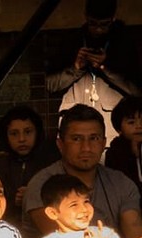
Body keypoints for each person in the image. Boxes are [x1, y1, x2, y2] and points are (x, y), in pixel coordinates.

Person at [22, 104, 142, 238]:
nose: (86, 147)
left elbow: (134, 234)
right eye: (76, 139)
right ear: (60, 144)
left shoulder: (121, 184)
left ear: (104, 142)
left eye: (94, 138)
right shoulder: (42, 186)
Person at [45, 0, 142, 144]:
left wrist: (105, 67)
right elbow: (50, 85)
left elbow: (137, 91)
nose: (98, 30)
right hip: (75, 126)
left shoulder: (124, 43)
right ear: (85, 17)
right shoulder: (72, 41)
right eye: (93, 23)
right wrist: (76, 68)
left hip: (110, 130)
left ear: (113, 18)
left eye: (104, 24)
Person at [0, 105, 58, 226]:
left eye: (28, 132)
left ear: (37, 133)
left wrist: (34, 196)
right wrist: (12, 200)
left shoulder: (51, 165)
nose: (21, 139)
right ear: (5, 136)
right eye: (14, 133)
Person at [105, 96, 142, 200]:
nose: (139, 126)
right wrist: (134, 156)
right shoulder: (115, 152)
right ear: (119, 128)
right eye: (131, 122)